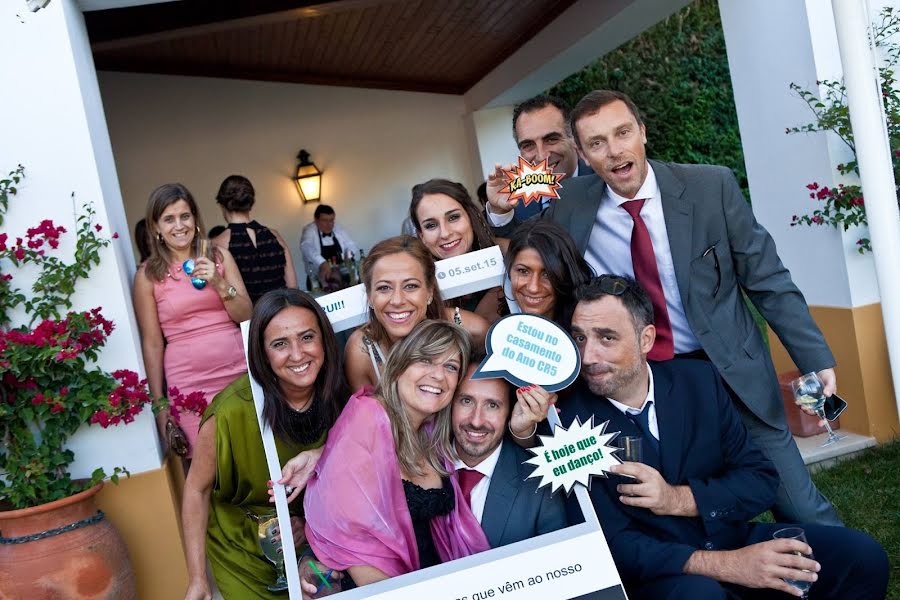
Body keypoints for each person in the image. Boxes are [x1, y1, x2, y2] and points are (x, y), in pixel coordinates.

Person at [488, 90, 840, 526]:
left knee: (799, 505)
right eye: (597, 143)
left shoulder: (712, 186)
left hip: (729, 370)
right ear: (583, 154)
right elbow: (531, 243)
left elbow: (767, 279)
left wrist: (813, 358)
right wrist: (500, 213)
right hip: (647, 380)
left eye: (622, 133)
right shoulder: (570, 201)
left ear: (643, 132)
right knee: (673, 514)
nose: (614, 150)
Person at [511, 276, 888, 599]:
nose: (588, 355)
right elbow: (609, 543)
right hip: (660, 577)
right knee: (701, 594)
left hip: (728, 538)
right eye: (579, 337)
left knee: (861, 556)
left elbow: (759, 479)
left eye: (606, 338)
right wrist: (727, 566)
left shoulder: (698, 382)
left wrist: (679, 499)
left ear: (646, 339)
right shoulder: (564, 418)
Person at [182, 289, 346, 600]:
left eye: (307, 337)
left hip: (316, 539)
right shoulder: (232, 410)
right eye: (280, 344)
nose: (297, 354)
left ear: (324, 339)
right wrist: (197, 578)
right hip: (242, 551)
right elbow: (196, 488)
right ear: (262, 353)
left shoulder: (340, 391)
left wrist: (307, 523)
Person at [304, 320, 491, 587]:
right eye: (425, 360)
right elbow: (353, 537)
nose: (438, 375)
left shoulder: (433, 434)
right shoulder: (366, 417)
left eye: (450, 367)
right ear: (399, 366)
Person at [133, 183, 251, 462]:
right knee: (209, 465)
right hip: (188, 383)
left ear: (195, 219)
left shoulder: (220, 257)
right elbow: (152, 343)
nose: (179, 226)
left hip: (237, 371)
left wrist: (219, 282)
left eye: (185, 216)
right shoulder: (148, 275)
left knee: (251, 453)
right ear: (156, 226)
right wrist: (160, 402)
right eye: (169, 219)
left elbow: (247, 315)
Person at [344, 236, 489, 391]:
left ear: (429, 292)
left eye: (411, 286)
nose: (397, 300)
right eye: (384, 288)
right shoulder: (362, 351)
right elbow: (364, 414)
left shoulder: (473, 331)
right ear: (370, 297)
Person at [451, 361, 567, 547]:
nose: (476, 420)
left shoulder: (540, 484)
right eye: (466, 401)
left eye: (492, 405)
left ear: (510, 412)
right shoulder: (420, 466)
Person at [410, 178, 505, 321]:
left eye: (453, 217)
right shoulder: (416, 285)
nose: (445, 233)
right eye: (431, 225)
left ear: (471, 217)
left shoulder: (508, 254)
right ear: (421, 236)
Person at [210, 175, 297, 304]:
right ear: (250, 203)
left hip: (249, 321)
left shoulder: (217, 244)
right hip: (281, 311)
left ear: (222, 205)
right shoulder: (275, 236)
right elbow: (293, 286)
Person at [508, 95, 593, 219]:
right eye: (528, 145)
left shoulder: (606, 182)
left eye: (551, 139)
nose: (542, 156)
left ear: (574, 137)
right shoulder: (515, 206)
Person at [504, 220, 593, 324]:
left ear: (566, 275)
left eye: (547, 274)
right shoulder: (495, 322)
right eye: (523, 271)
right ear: (509, 270)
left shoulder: (585, 329)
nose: (533, 288)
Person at [299, 204, 359, 291]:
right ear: (316, 220)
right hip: (317, 280)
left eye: (332, 220)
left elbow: (351, 245)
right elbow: (306, 246)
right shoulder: (309, 230)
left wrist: (348, 256)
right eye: (325, 220)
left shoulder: (338, 228)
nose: (329, 224)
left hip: (340, 278)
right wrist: (322, 263)